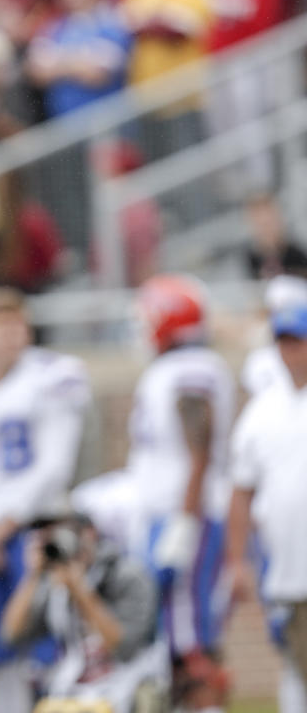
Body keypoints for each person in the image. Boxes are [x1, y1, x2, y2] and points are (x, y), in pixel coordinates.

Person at [0, 288, 91, 713]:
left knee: (45, 643)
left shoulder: (52, 377)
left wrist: (2, 526)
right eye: (2, 326)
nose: (13, 335)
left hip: (33, 526)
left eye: (19, 325)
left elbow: (55, 467)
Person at [125, 275, 236, 712]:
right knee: (171, 636)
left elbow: (200, 451)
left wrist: (185, 523)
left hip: (189, 513)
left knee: (191, 640)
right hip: (168, 513)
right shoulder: (170, 369)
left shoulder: (193, 368)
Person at [0, 507, 163, 712]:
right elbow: (11, 635)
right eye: (46, 536)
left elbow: (124, 646)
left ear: (89, 533)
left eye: (60, 533)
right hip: (72, 695)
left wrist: (79, 589)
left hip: (126, 691)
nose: (55, 541)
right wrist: (32, 576)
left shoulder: (127, 575)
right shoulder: (55, 583)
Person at [226, 300, 307, 713]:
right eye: (285, 342)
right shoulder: (263, 409)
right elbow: (241, 490)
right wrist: (238, 561)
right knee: (295, 665)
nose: (292, 351)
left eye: (299, 341)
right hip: (285, 565)